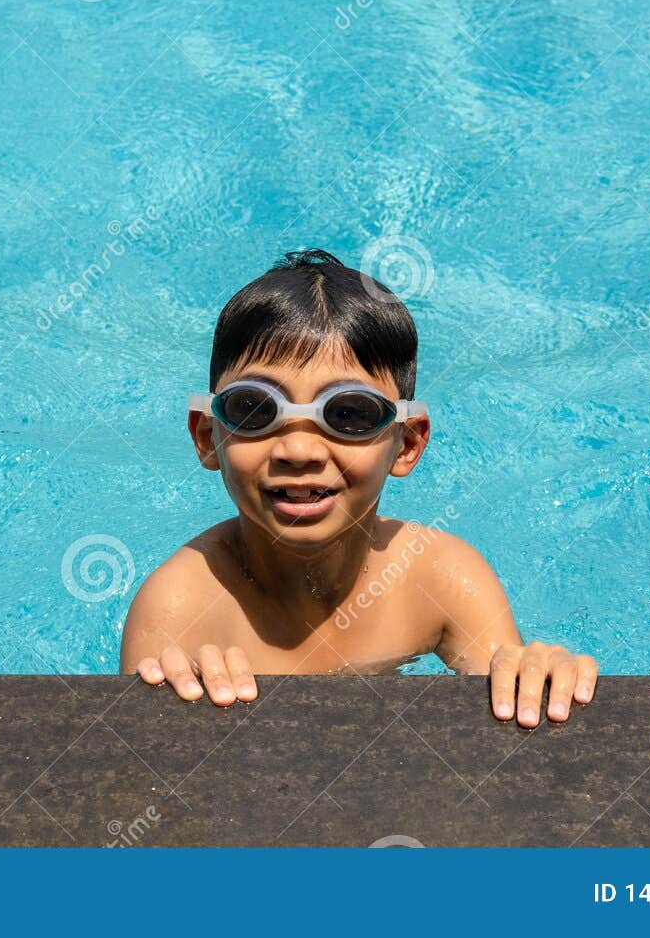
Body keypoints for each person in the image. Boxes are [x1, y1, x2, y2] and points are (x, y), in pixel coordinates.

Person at [119, 250, 597, 727]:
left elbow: (508, 714)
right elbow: (145, 771)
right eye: (254, 409)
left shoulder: (440, 577)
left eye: (348, 413)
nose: (299, 450)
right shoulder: (178, 606)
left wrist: (534, 675)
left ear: (406, 444)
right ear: (208, 436)